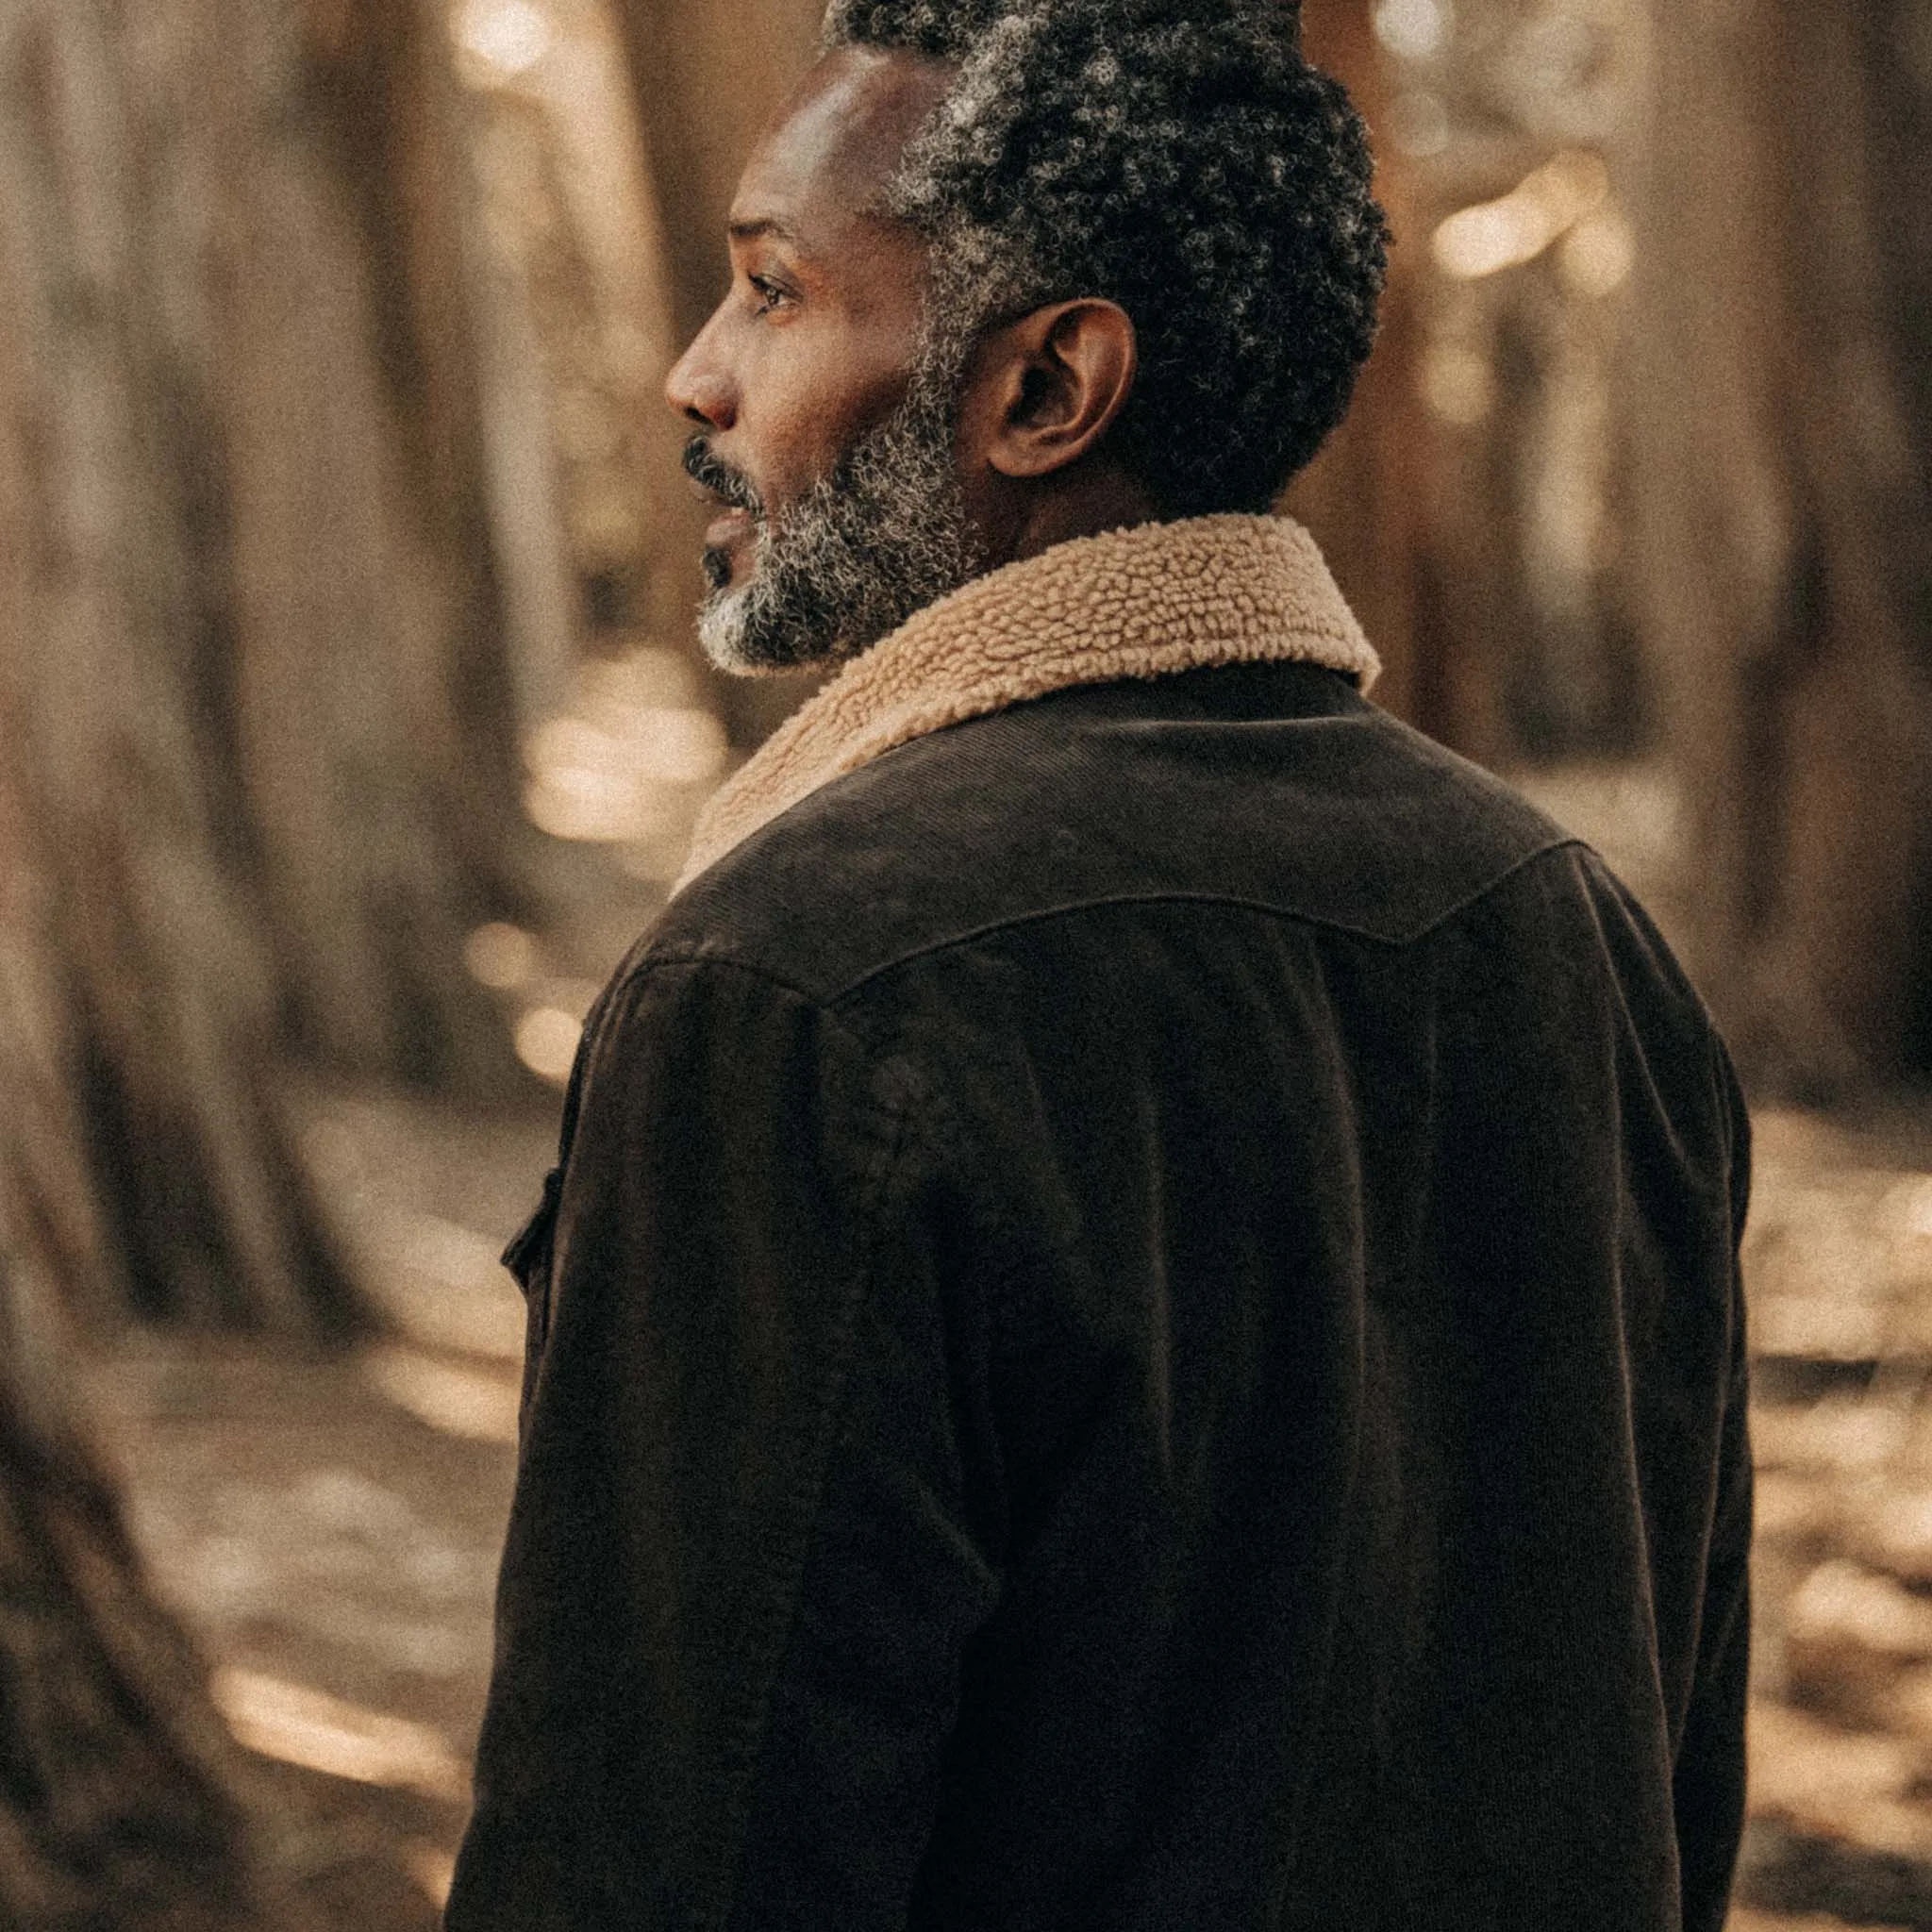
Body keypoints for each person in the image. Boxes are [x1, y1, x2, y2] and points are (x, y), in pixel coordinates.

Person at [446, 3, 1752, 1927]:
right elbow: (1670, 1773)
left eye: (771, 291)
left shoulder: (791, 985)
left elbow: (659, 1860)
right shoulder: (1574, 931)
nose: (691, 378)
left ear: (1048, 389)